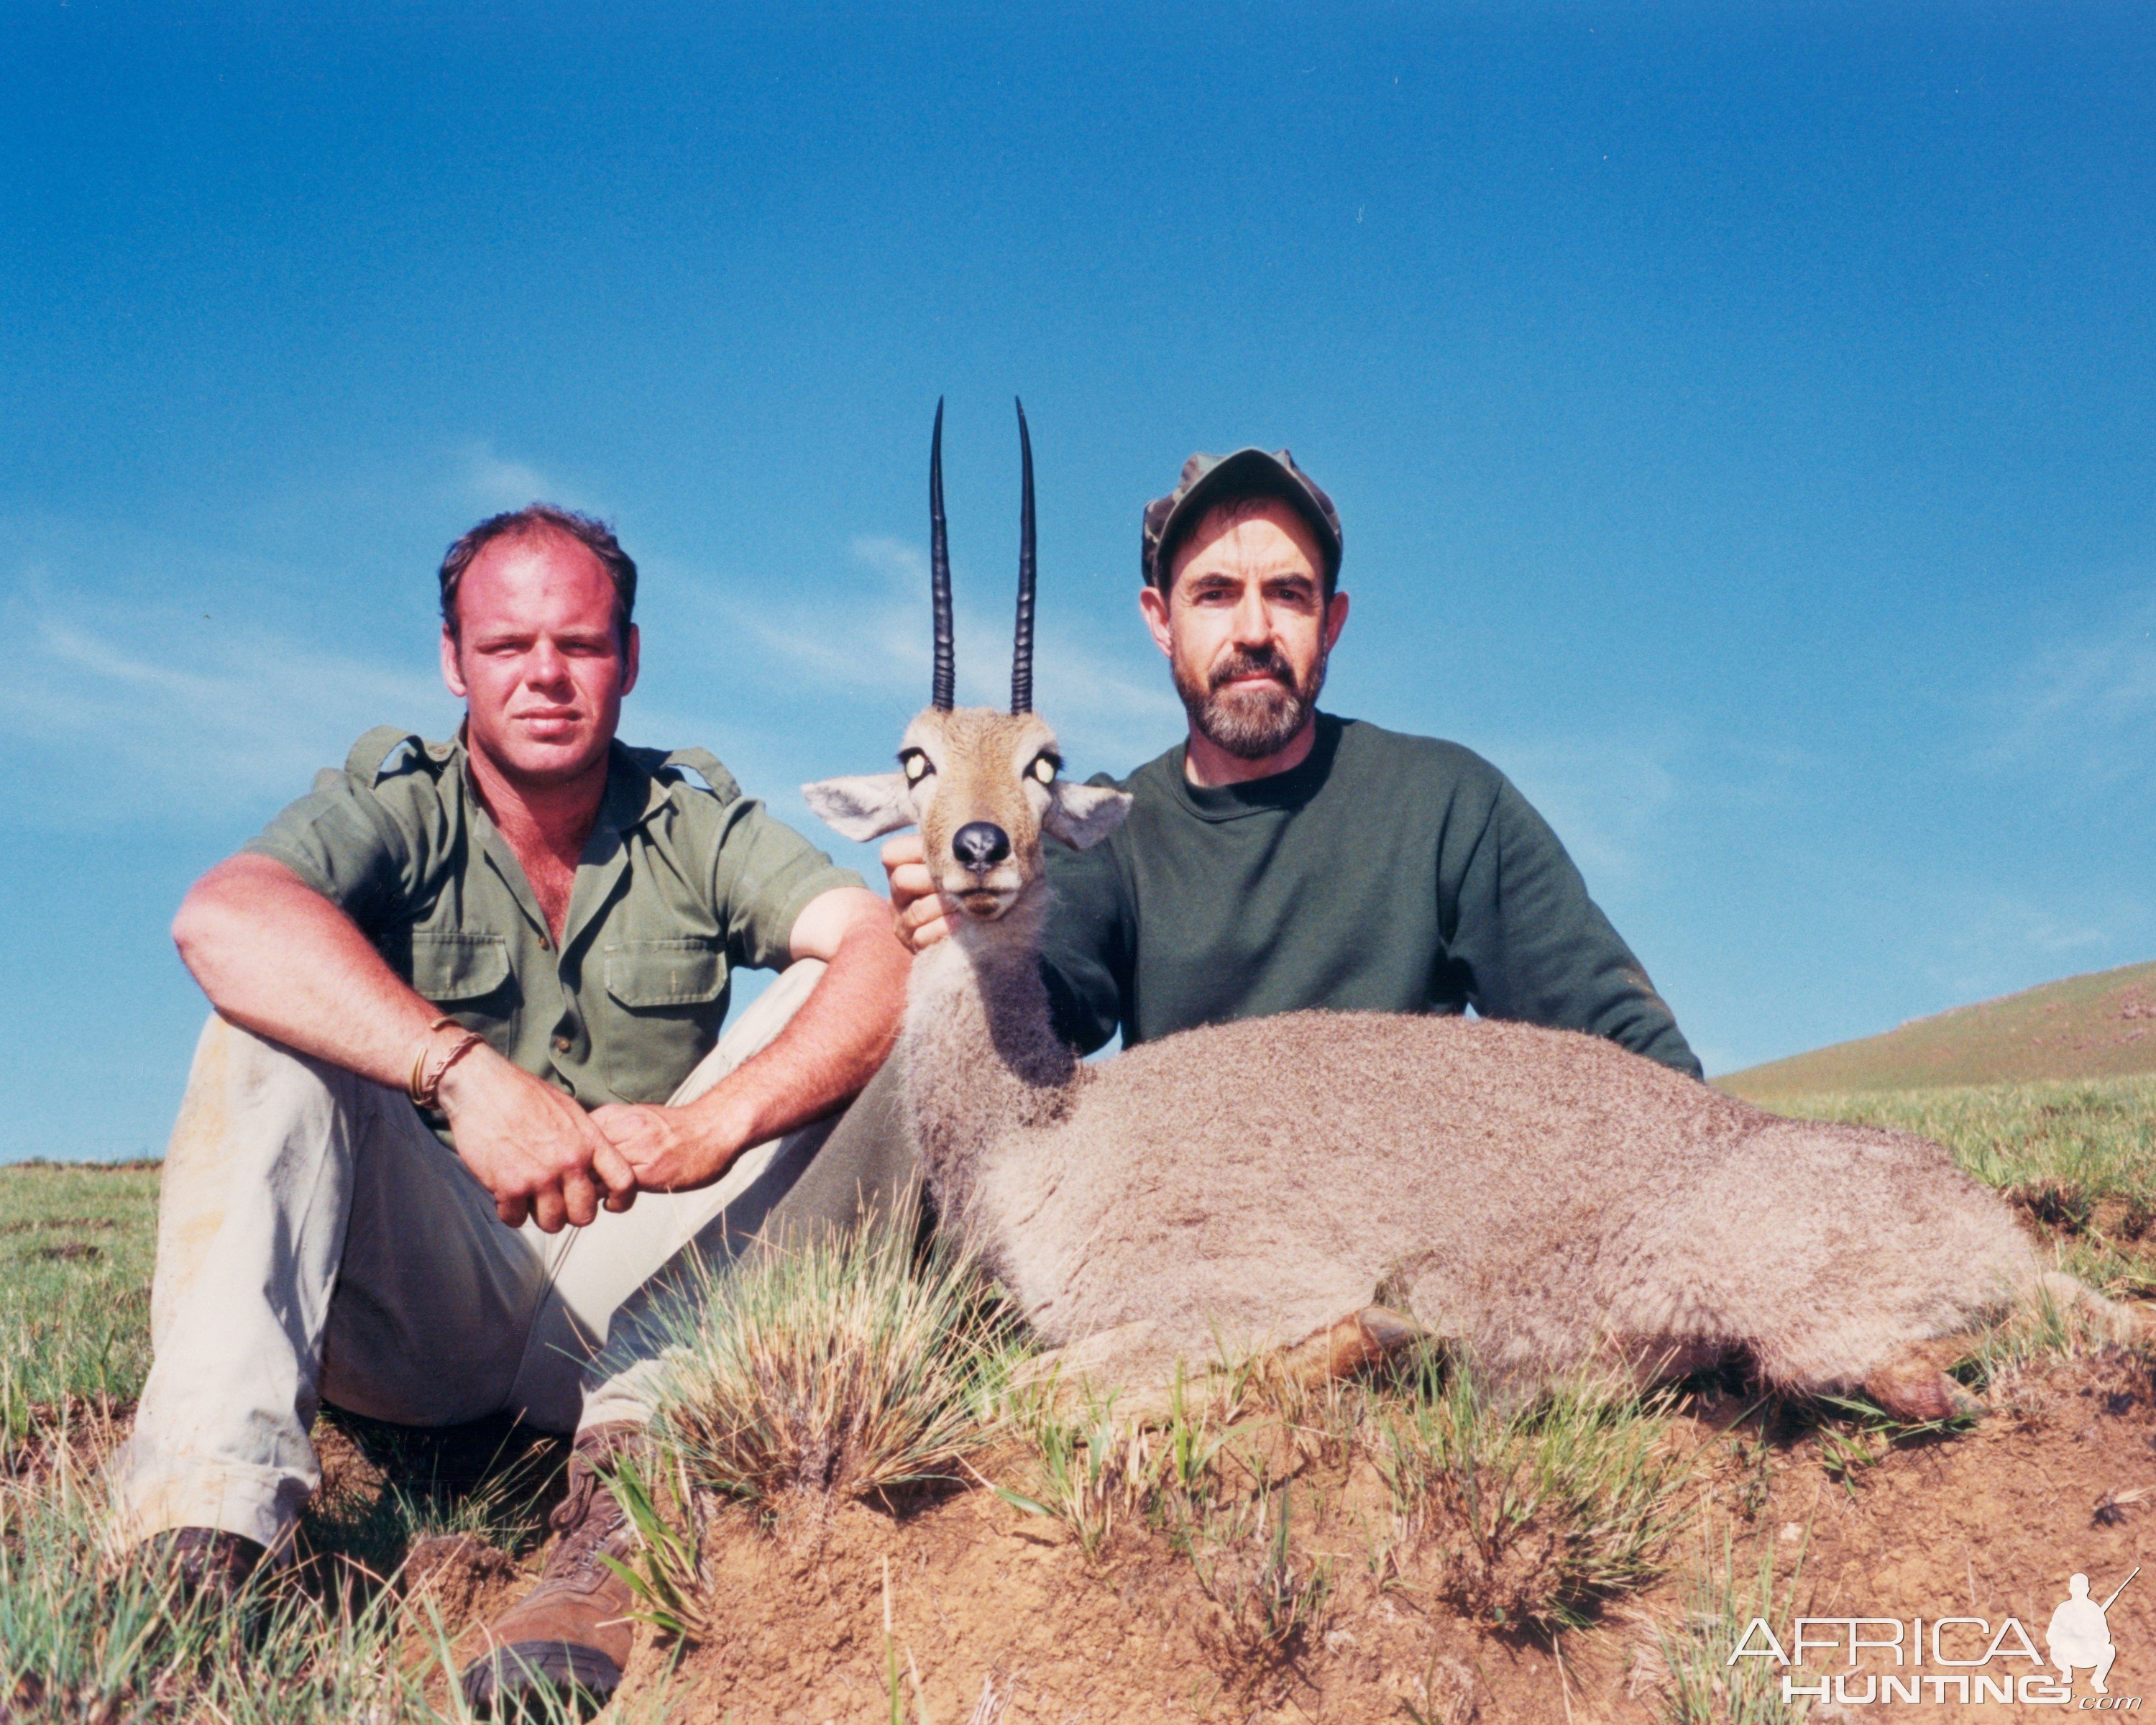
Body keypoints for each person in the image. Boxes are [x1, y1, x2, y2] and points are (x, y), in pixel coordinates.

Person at [114, 504, 915, 1715]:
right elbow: (221, 913)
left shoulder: (690, 816)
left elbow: (870, 946)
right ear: (454, 661)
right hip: (434, 1299)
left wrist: (717, 1121)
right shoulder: (395, 802)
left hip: (644, 1304)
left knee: (889, 975)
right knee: (260, 1022)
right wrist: (462, 1074)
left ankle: (626, 1506)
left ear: (628, 659)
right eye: (507, 646)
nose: (545, 674)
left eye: (580, 645)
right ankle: (200, 1546)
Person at [886, 447, 1699, 1076]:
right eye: (1212, 594)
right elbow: (1043, 1009)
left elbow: (1624, 1040)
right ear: (1158, 620)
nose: (1251, 630)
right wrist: (972, 936)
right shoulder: (1106, 828)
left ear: (1331, 621)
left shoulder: (1448, 803)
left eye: (1287, 593)